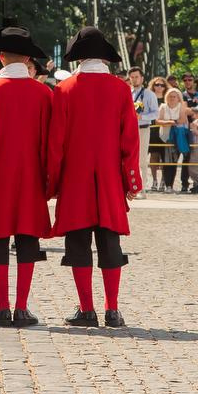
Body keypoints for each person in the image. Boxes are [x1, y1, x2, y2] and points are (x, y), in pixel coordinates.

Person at [48, 27, 143, 328]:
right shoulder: (120, 89)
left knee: (78, 243)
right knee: (109, 242)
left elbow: (56, 143)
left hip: (74, 179)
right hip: (110, 178)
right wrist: (132, 180)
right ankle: (112, 310)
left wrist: (52, 182)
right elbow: (129, 139)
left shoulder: (64, 90)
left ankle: (86, 310)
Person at [0, 26, 52, 327]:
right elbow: (50, 144)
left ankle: (2, 307)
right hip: (31, 179)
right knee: (28, 240)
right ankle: (22, 307)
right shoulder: (44, 94)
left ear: (0, 57)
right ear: (28, 58)